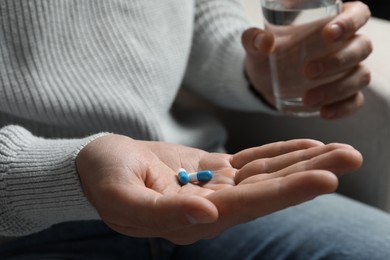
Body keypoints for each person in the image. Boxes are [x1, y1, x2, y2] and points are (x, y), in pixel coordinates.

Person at [0, 0, 389, 259]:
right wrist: (59, 177)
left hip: (196, 182)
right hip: (26, 227)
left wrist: (255, 70)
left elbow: (187, 12)